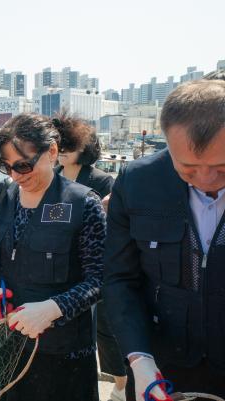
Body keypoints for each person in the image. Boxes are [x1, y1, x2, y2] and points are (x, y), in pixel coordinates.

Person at [0, 113, 106, 400]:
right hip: (10, 344)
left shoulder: (84, 204)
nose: (15, 176)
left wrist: (53, 309)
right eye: (7, 167)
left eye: (23, 165)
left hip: (65, 352)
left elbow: (101, 277)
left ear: (52, 151)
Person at [103, 80, 225, 401]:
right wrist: (138, 357)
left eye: (221, 167)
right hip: (160, 366)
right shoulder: (136, 182)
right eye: (188, 168)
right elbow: (119, 278)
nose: (206, 180)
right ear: (168, 145)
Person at [54, 112, 125, 399]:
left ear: (83, 148)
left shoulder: (102, 180)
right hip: (62, 267)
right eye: (57, 145)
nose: (61, 151)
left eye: (68, 146)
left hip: (98, 268)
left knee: (107, 332)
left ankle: (121, 385)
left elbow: (117, 226)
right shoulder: (51, 177)